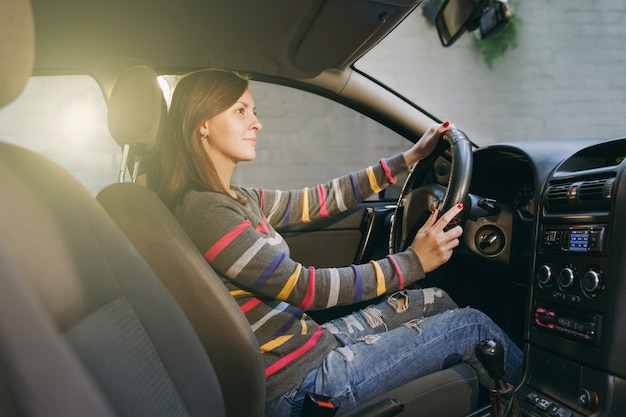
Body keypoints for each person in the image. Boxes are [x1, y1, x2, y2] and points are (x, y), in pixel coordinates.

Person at [150, 68, 523, 416]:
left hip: (309, 347)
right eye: (241, 110)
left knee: (436, 300)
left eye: (254, 110)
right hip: (301, 384)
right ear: (203, 124)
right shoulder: (207, 212)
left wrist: (408, 159)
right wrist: (414, 262)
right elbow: (305, 288)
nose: (257, 122)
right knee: (473, 328)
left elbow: (319, 200)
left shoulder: (235, 197)